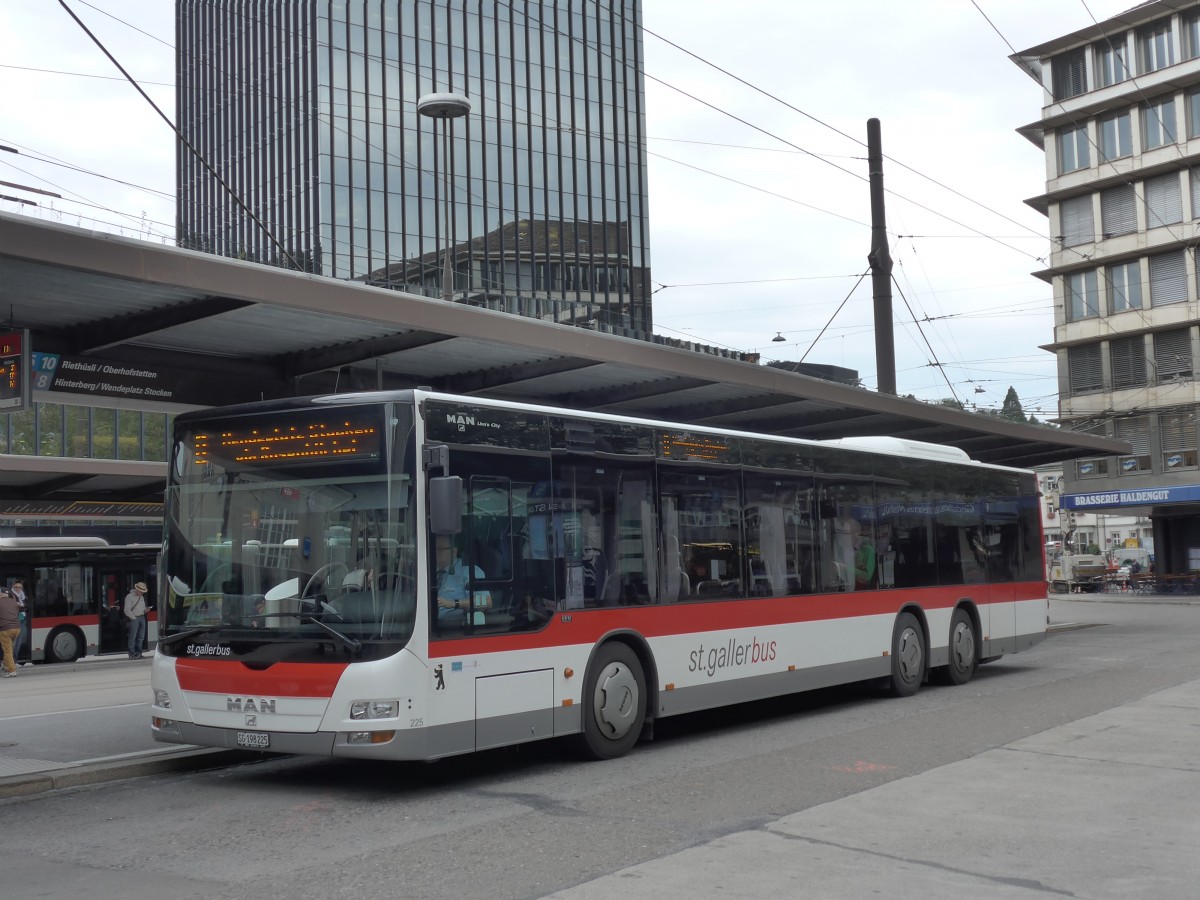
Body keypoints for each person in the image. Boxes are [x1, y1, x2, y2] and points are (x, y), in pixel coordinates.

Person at [434, 535, 490, 625]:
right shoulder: (427, 571)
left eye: (440, 549)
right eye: (434, 549)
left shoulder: (469, 570)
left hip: (456, 628)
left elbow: (486, 602)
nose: (436, 552)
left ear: (454, 551)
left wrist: (454, 603)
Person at [124, 581, 149, 659]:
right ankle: (131, 654)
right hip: (134, 618)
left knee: (141, 637)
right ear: (137, 590)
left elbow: (142, 608)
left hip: (142, 617)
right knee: (133, 636)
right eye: (141, 591)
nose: (142, 593)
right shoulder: (129, 597)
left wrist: (146, 610)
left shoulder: (141, 597)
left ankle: (138, 653)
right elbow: (126, 610)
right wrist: (133, 618)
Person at [0, 589, 20, 677]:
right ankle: (5, 666)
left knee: (7, 649)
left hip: (5, 629)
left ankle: (12, 670)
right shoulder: (13, 602)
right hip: (17, 628)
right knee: (9, 647)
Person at [10, 579, 28, 666]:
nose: (18, 589)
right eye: (16, 587)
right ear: (13, 587)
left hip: (22, 620)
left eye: (20, 587)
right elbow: (16, 607)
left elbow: (26, 606)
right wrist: (21, 606)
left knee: (19, 641)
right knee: (14, 642)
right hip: (14, 620)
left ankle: (14, 661)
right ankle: (11, 661)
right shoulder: (11, 595)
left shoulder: (23, 595)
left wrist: (21, 605)